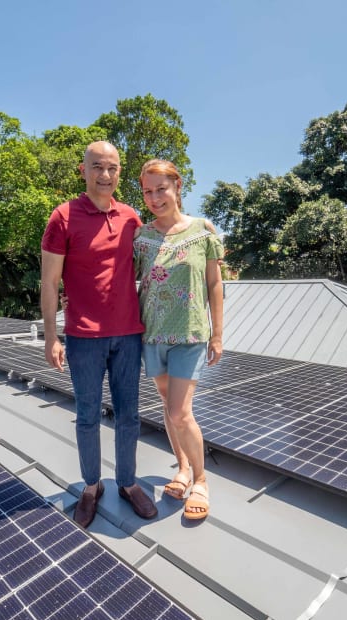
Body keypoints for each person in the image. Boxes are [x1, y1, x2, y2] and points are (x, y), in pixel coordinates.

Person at [41, 141, 158, 529]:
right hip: (83, 337)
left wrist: (201, 228)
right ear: (83, 170)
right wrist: (50, 336)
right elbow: (49, 281)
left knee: (129, 416)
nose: (104, 175)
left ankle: (127, 483)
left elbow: (163, 244)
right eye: (97, 167)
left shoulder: (131, 217)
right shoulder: (63, 216)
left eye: (112, 168)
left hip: (128, 335)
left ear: (120, 172)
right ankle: (92, 487)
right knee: (87, 417)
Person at [134, 159, 224, 521]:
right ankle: (183, 469)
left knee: (179, 411)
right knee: (166, 406)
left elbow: (215, 284)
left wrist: (217, 333)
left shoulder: (203, 231)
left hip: (189, 335)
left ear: (177, 187)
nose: (155, 197)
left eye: (161, 189)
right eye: (147, 191)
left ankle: (201, 480)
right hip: (151, 334)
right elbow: (119, 278)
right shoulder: (140, 237)